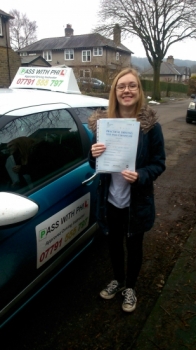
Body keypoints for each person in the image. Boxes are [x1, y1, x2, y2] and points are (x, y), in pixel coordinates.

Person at [88, 67, 166, 312]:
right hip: (110, 199)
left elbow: (159, 163)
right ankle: (118, 280)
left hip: (137, 201)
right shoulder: (102, 125)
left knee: (134, 245)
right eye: (121, 86)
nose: (127, 90)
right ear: (115, 92)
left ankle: (130, 286)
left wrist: (141, 175)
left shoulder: (151, 128)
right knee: (113, 244)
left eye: (132, 85)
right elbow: (94, 164)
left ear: (139, 91)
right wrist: (93, 155)